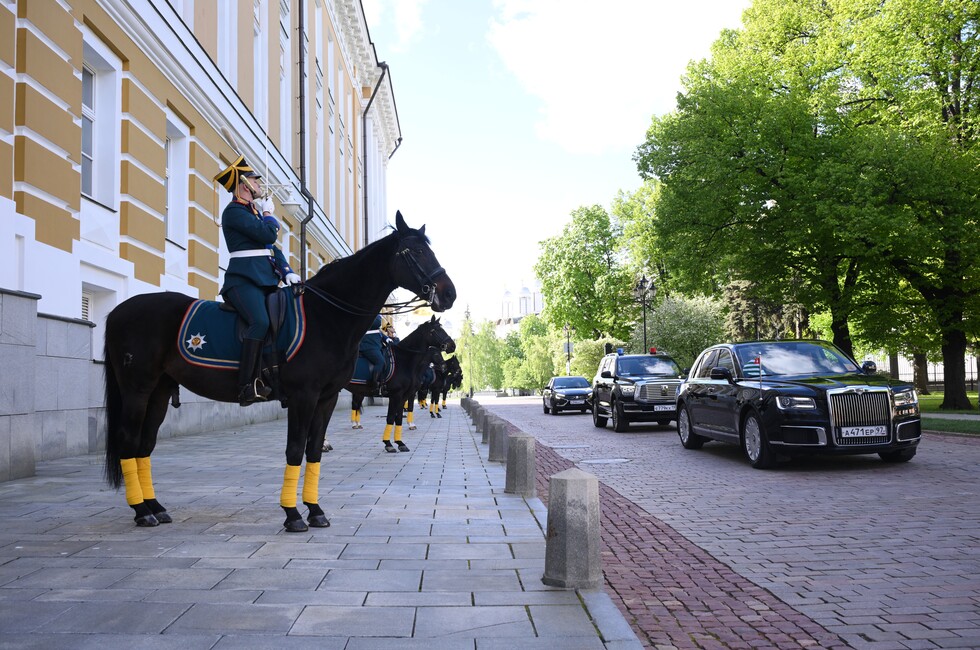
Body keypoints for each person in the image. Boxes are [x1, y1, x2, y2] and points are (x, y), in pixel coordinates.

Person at [213, 154, 301, 405]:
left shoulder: (252, 212)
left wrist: (287, 272)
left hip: (265, 279)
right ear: (245, 185)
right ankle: (245, 386)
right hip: (243, 281)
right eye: (256, 180)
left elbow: (272, 249)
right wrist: (269, 215)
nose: (260, 185)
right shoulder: (234, 212)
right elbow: (269, 235)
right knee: (260, 322)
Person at [359, 314, 392, 394]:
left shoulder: (378, 315)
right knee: (380, 362)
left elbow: (378, 331)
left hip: (377, 344)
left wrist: (387, 338)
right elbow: (375, 326)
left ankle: (383, 384)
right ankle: (374, 383)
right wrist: (386, 326)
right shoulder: (367, 313)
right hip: (368, 344)